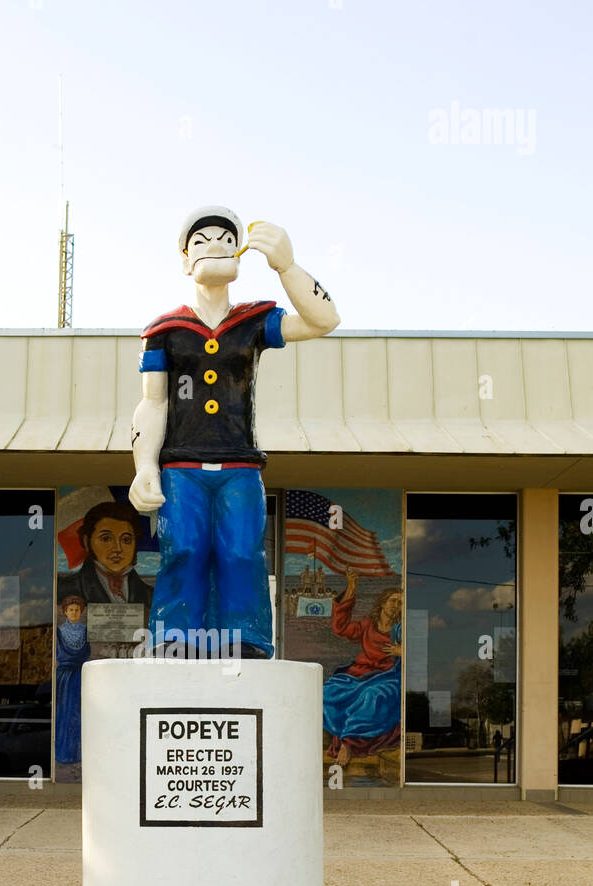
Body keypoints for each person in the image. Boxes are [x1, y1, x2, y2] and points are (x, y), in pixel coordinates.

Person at [129, 205, 340, 658]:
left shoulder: (253, 322)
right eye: (202, 241)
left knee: (242, 554)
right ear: (186, 260)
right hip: (181, 466)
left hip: (240, 465)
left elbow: (324, 320)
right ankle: (174, 636)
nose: (216, 246)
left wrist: (287, 265)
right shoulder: (163, 330)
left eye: (226, 239)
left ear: (239, 254)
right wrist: (144, 464)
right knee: (182, 549)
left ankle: (246, 639)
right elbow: (154, 400)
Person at [323, 568, 403, 768]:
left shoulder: (401, 629)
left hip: (388, 677)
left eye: (401, 602)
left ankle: (348, 744)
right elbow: (340, 628)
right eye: (394, 600)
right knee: (328, 691)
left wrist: (404, 652)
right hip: (359, 674)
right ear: (383, 603)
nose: (397, 605)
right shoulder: (368, 625)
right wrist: (351, 588)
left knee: (372, 696)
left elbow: (420, 655)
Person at [57, 501, 152, 608]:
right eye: (106, 539)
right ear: (86, 542)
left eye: (126, 539)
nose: (118, 548)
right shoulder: (63, 590)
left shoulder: (151, 596)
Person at [54, 595, 91, 765]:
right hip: (65, 677)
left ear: (81, 612)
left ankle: (79, 753)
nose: (74, 612)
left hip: (81, 675)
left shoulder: (85, 631)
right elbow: (61, 652)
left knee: (81, 713)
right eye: (71, 610)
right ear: (65, 612)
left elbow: (86, 653)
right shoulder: (59, 631)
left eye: (77, 610)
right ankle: (65, 753)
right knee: (65, 713)